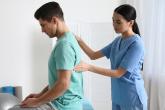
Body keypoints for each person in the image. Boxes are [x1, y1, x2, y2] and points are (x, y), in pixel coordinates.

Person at [10, 1, 84, 110]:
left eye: (43, 25)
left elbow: (63, 84)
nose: (42, 30)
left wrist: (37, 102)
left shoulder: (64, 45)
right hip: (63, 103)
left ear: (54, 20)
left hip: (62, 106)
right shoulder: (68, 39)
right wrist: (39, 95)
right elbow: (58, 81)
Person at [74, 4, 148, 110]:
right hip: (117, 97)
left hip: (132, 98)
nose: (114, 25)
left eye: (118, 22)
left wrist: (89, 68)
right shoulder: (117, 41)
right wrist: (79, 40)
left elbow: (118, 73)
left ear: (130, 23)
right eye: (113, 21)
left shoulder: (136, 44)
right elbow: (93, 55)